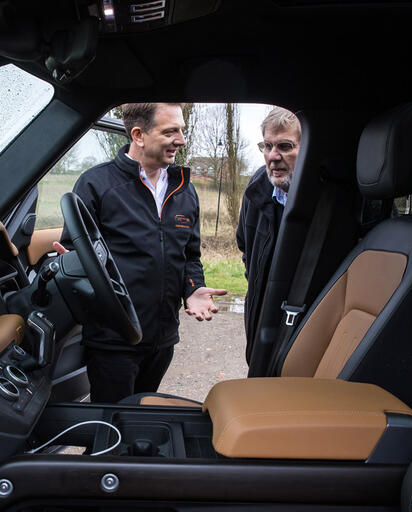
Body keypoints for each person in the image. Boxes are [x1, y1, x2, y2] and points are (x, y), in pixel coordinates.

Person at [57, 102, 227, 404]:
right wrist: (70, 266)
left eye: (182, 130)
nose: (181, 140)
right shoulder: (96, 184)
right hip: (114, 340)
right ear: (138, 134)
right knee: (112, 423)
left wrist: (194, 288)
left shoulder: (184, 188)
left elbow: (190, 255)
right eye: (170, 131)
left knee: (144, 415)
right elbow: (74, 251)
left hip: (163, 338)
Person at [236, 107, 301, 363]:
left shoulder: (334, 198)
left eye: (285, 146)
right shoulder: (256, 189)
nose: (273, 157)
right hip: (261, 319)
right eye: (267, 145)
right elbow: (245, 247)